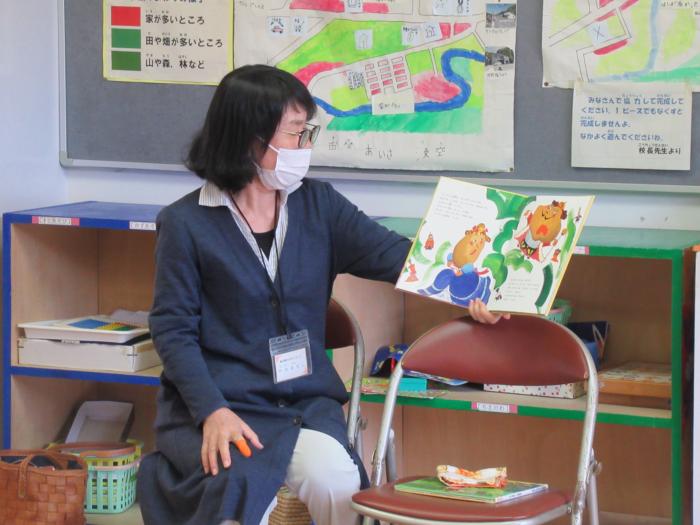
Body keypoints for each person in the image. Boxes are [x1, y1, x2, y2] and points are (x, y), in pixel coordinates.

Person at [137, 64, 506, 525]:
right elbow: (173, 331)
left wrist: (478, 287)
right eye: (296, 133)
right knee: (239, 490)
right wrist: (212, 411)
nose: (305, 146)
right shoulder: (185, 224)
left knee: (337, 479)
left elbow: (396, 256)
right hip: (224, 405)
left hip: (302, 406)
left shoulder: (319, 205)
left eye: (306, 131)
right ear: (251, 139)